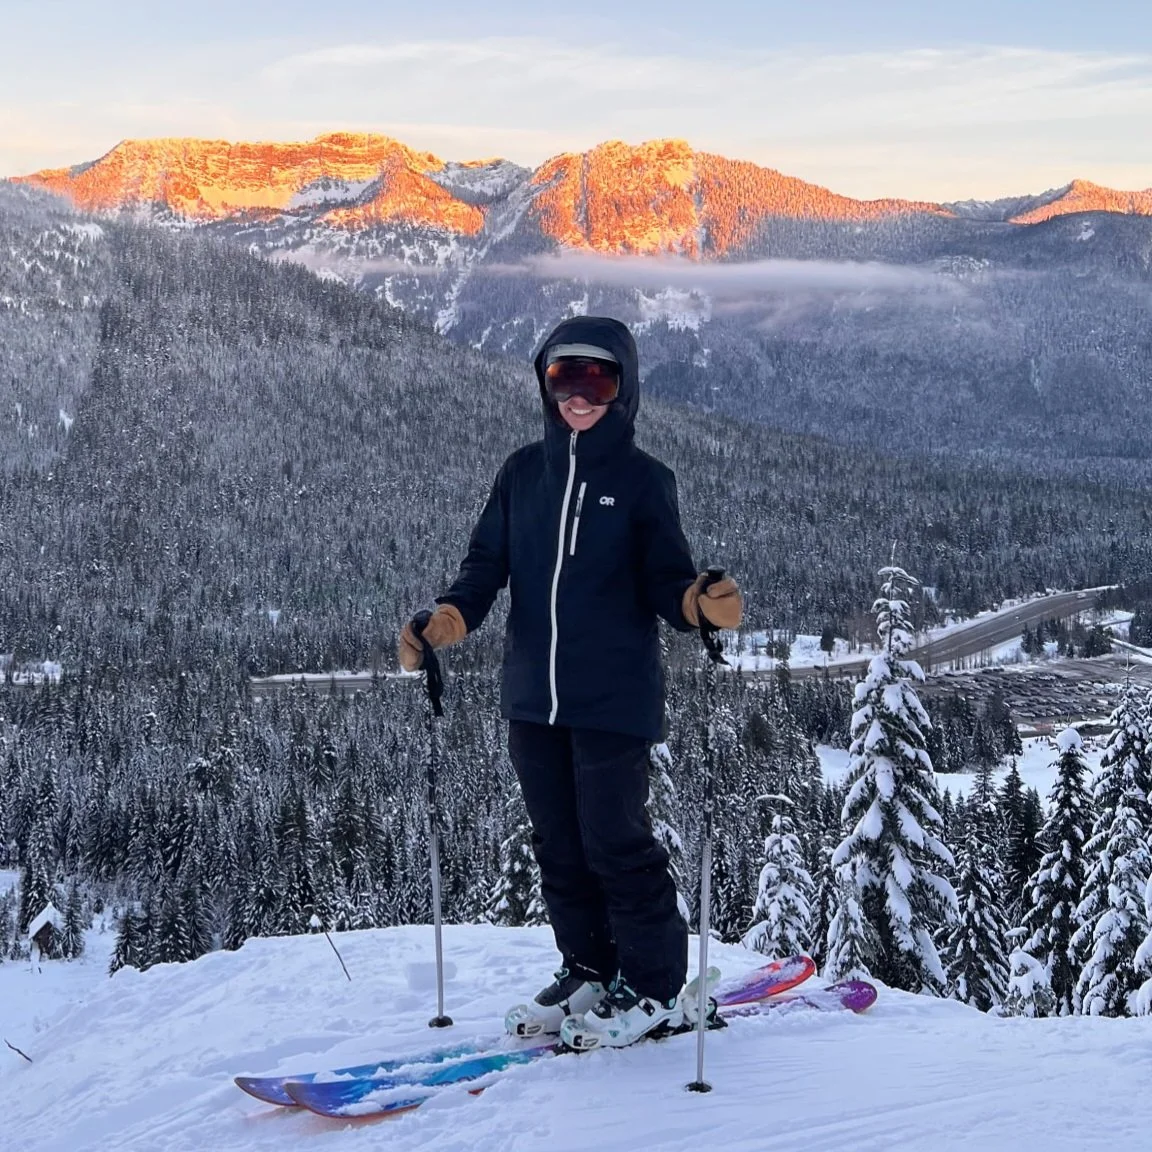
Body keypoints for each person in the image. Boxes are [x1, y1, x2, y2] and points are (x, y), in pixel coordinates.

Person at [398, 315, 742, 1049]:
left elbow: (667, 580)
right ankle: (588, 967)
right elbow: (484, 567)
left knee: (615, 840)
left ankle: (651, 986)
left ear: (625, 389)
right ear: (545, 384)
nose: (580, 396)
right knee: (558, 841)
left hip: (613, 697)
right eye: (564, 378)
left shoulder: (645, 482)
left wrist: (696, 603)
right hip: (531, 694)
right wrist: (448, 619)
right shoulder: (523, 473)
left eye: (598, 378)